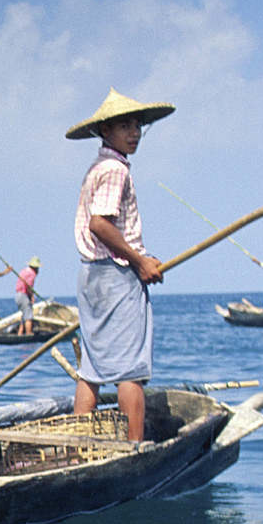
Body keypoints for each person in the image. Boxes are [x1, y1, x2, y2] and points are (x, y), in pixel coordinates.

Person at [69, 88, 171, 442]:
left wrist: (142, 257)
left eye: (137, 126)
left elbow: (104, 227)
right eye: (124, 126)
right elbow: (100, 224)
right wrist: (139, 260)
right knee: (130, 370)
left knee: (92, 369)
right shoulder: (115, 170)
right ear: (105, 132)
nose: (134, 133)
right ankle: (134, 449)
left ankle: (78, 447)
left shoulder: (99, 167)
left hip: (92, 275)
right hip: (113, 276)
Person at [11, 256, 42, 334]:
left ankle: (20, 333)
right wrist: (32, 296)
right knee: (28, 316)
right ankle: (28, 334)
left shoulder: (24, 271)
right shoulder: (32, 273)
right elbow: (29, 286)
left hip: (18, 296)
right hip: (24, 296)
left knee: (24, 315)